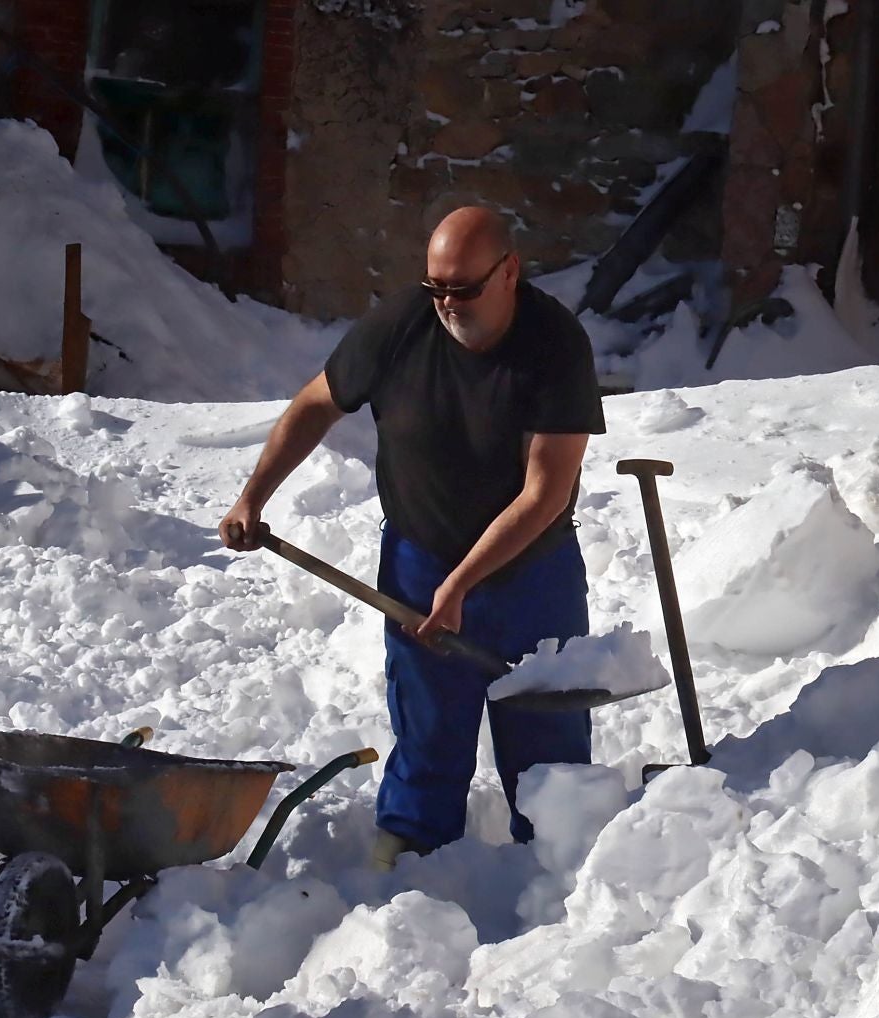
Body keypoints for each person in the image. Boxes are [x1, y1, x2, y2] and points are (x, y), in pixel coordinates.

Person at [219, 206, 604, 866]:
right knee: (428, 727)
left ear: (509, 272)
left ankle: (560, 879)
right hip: (421, 558)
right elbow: (316, 403)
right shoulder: (403, 324)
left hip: (531, 573)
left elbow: (545, 493)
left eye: (464, 288)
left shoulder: (554, 344)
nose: (447, 303)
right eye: (436, 287)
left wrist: (465, 583)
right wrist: (253, 496)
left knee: (546, 733)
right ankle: (406, 865)